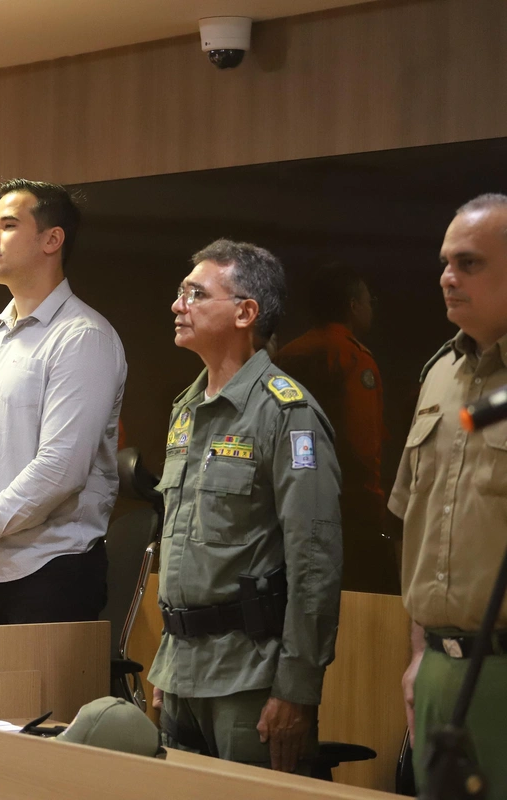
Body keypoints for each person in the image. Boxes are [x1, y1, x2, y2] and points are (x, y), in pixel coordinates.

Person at [148, 239, 342, 774]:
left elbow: (314, 559)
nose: (177, 305)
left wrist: (297, 687)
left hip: (250, 680)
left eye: (195, 293)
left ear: (244, 312)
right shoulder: (187, 410)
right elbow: (182, 545)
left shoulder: (287, 412)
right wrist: (169, 668)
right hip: (183, 672)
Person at [0, 178, 126, 625]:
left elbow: (59, 471)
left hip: (49, 574)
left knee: (44, 701)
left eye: (8, 225)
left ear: (52, 239)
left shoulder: (82, 337)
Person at [393, 194, 507, 799]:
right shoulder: (440, 377)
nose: (447, 276)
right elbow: (420, 524)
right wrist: (419, 658)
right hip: (440, 669)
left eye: (469, 263)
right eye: (444, 262)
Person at [276, 263, 396, 594]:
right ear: (353, 305)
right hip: (347, 511)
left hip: (289, 502)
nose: (371, 306)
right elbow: (362, 443)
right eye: (368, 300)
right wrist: (374, 508)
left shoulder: (285, 355)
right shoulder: (352, 357)